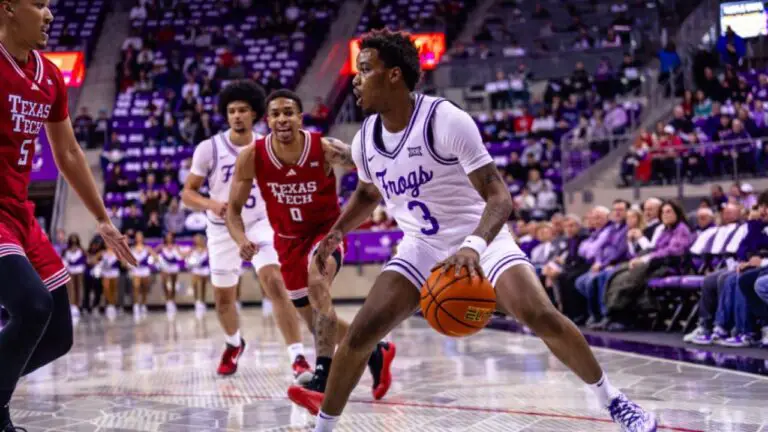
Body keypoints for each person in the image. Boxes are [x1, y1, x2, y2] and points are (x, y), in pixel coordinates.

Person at [289, 29, 657, 432]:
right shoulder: (364, 142)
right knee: (360, 334)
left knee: (540, 314)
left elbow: (499, 197)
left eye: (365, 70)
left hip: (480, 234)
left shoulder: (444, 119)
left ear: (394, 75)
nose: (355, 80)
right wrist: (337, 232)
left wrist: (472, 246)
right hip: (422, 245)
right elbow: (367, 191)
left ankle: (615, 402)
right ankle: (323, 428)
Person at [0, 1, 136, 429]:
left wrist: (102, 218)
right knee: (32, 304)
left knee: (59, 332)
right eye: (38, 3)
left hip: (20, 213)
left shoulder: (50, 75)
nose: (49, 13)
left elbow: (70, 152)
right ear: (8, 9)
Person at [227, 89, 395, 399]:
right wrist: (241, 240)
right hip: (287, 242)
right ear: (267, 120)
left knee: (318, 284)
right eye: (276, 114)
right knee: (314, 319)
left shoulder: (326, 149)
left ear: (299, 118)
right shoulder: (251, 156)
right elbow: (232, 211)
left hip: (324, 233)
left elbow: (372, 170)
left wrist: (353, 214)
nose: (282, 119)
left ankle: (323, 377)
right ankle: (376, 351)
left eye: (288, 113)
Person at [181, 80, 310, 378]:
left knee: (275, 282)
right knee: (225, 298)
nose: (236, 116)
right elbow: (187, 193)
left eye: (242, 110)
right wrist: (211, 204)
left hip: (260, 223)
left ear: (254, 114)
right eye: (231, 111)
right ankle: (233, 343)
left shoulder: (269, 144)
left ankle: (298, 356)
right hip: (221, 227)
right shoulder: (208, 148)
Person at [62, 234, 86, 322]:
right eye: (72, 241)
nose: (74, 243)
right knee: (71, 289)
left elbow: (84, 260)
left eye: (75, 241)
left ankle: (78, 305)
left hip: (79, 271)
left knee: (79, 288)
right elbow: (64, 261)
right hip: (70, 271)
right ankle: (72, 305)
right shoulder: (66, 251)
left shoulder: (81, 250)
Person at [129, 231, 152, 322]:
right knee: (136, 287)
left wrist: (152, 260)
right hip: (136, 271)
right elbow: (128, 260)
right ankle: (136, 305)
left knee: (144, 288)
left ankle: (143, 304)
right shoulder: (132, 249)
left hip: (145, 270)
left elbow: (155, 257)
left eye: (140, 236)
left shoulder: (147, 248)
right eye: (137, 236)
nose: (139, 238)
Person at [186, 233, 210, 320]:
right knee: (195, 284)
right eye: (195, 239)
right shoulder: (192, 249)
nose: (197, 241)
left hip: (204, 270)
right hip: (196, 270)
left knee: (203, 286)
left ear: (202, 240)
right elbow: (187, 259)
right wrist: (189, 265)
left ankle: (203, 301)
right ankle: (196, 302)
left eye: (198, 239)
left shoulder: (207, 249)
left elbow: (210, 259)